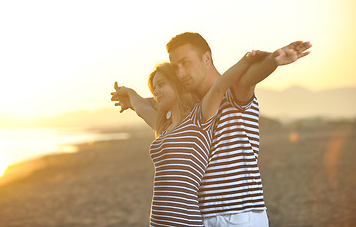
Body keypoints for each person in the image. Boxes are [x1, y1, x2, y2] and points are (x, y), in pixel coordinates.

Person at [112, 33, 311, 227]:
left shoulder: (233, 91)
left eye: (186, 62)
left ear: (206, 58)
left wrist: (273, 60)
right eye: (176, 67)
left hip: (237, 214)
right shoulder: (190, 112)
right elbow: (157, 105)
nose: (181, 73)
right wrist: (131, 97)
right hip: (200, 216)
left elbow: (250, 76)